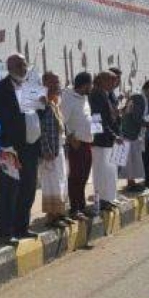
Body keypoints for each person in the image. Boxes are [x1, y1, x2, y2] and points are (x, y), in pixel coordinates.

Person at [0, 54, 42, 241]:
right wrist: (1, 147)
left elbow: (36, 116)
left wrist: (43, 105)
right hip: (10, 149)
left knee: (28, 189)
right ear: (9, 67)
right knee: (9, 191)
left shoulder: (30, 87)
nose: (23, 68)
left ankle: (22, 227)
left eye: (25, 64)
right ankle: (6, 232)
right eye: (19, 65)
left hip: (30, 147)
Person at [39, 72, 70, 227]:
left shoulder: (56, 101)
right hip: (49, 150)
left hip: (59, 148)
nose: (58, 84)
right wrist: (46, 149)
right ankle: (51, 217)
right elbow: (41, 129)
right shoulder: (42, 102)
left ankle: (59, 213)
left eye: (58, 81)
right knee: (50, 182)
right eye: (55, 81)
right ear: (45, 83)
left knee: (60, 181)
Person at [62, 72, 94, 218]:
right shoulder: (68, 98)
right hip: (77, 144)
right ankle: (74, 209)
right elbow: (62, 120)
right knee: (76, 177)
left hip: (87, 142)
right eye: (90, 84)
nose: (92, 87)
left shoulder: (85, 98)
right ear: (85, 84)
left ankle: (82, 205)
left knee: (84, 176)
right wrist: (70, 138)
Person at [89, 71, 122, 210]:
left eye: (114, 81)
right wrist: (113, 135)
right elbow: (97, 119)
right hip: (101, 140)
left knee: (110, 171)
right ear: (102, 80)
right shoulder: (96, 94)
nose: (113, 83)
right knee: (101, 172)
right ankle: (101, 201)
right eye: (110, 80)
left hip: (110, 139)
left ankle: (109, 198)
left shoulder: (106, 94)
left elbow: (111, 116)